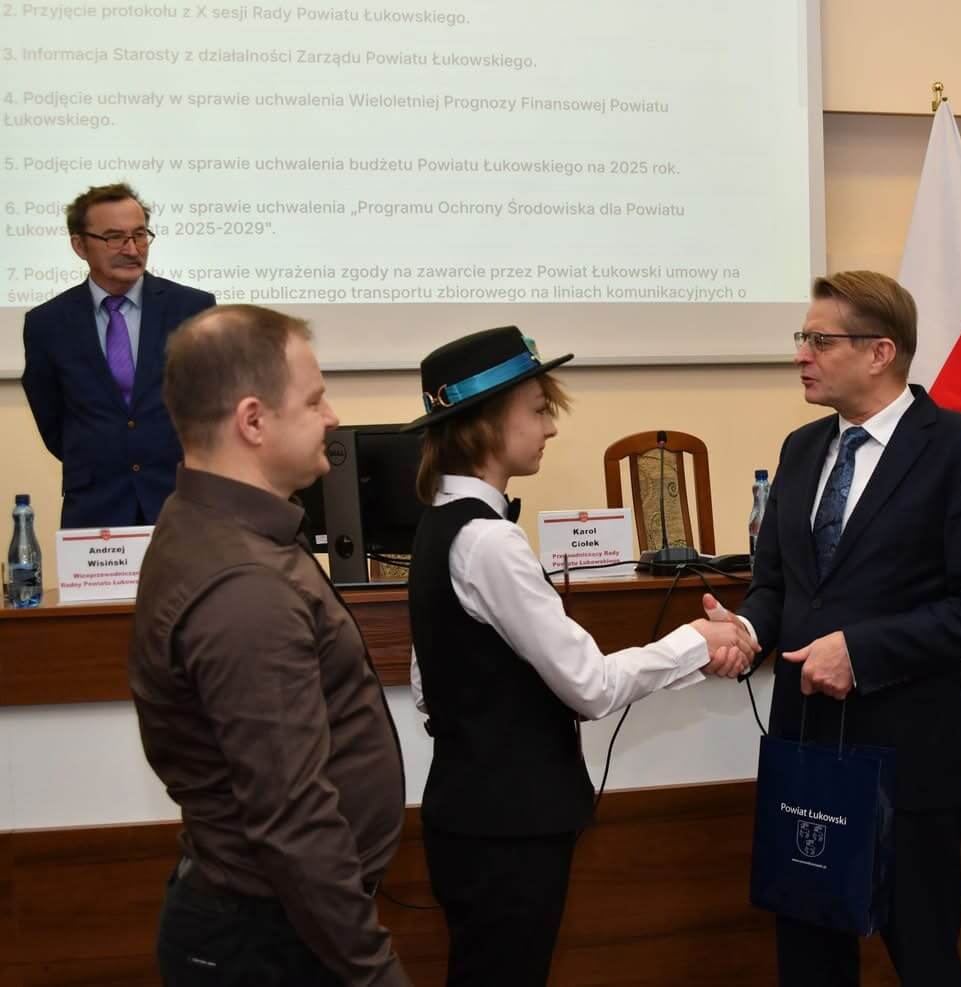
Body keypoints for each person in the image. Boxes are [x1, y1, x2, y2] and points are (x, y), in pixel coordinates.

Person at [403, 326, 756, 987]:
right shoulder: (489, 541)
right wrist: (697, 641)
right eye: (539, 410)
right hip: (512, 824)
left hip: (465, 810)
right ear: (487, 422)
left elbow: (428, 685)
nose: (551, 427)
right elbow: (590, 686)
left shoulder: (437, 526)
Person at [717, 271, 961, 985]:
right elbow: (777, 585)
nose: (801, 354)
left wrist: (861, 652)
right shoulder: (800, 449)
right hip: (805, 750)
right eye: (803, 337)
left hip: (906, 757)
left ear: (881, 352)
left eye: (820, 340)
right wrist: (746, 629)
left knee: (924, 954)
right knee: (809, 959)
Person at [128, 305, 412, 986]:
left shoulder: (213, 522)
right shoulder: (244, 584)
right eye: (314, 401)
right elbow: (293, 821)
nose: (333, 418)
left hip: (276, 923)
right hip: (271, 942)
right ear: (253, 421)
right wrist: (377, 975)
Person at [22, 183, 216, 527]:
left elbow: (213, 403)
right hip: (95, 506)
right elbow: (52, 420)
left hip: (180, 499)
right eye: (114, 237)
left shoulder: (192, 308)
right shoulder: (47, 323)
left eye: (139, 235)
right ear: (79, 245)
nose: (132, 249)